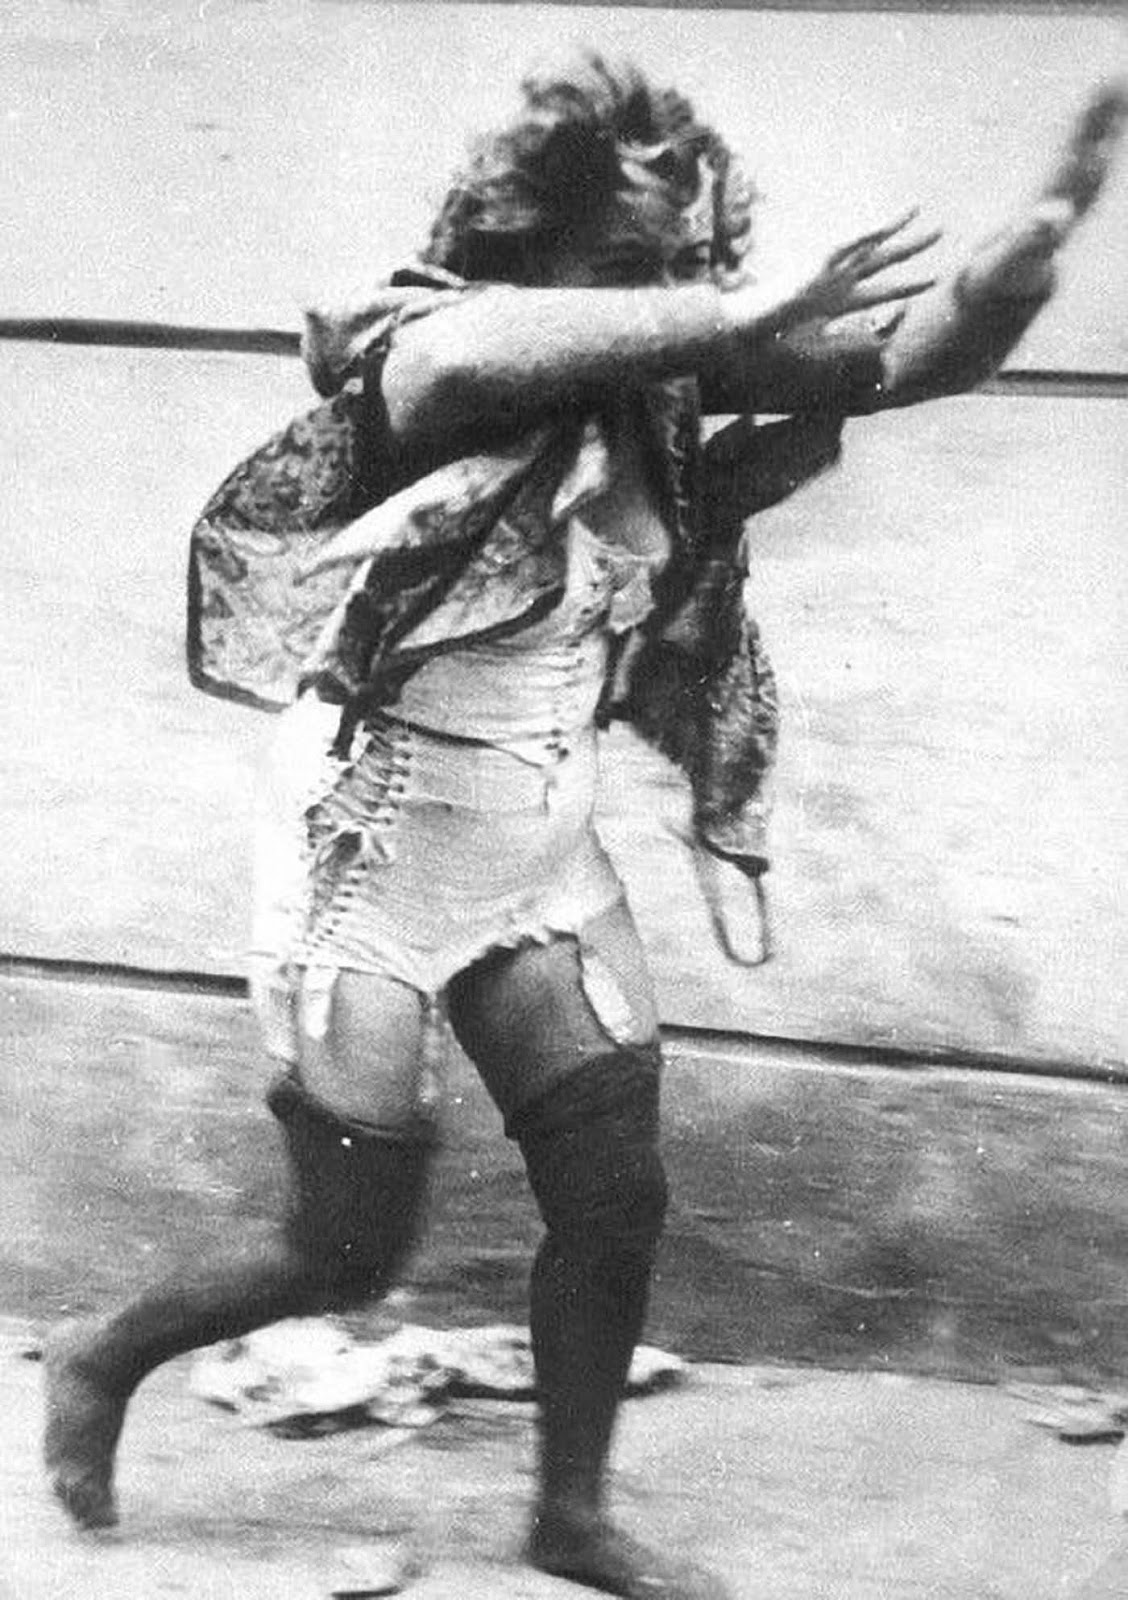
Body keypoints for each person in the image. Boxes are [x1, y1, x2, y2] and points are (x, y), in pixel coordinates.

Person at [44, 56, 1125, 1600]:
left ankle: (570, 1517)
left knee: (616, 1203)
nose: (672, 293)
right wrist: (737, 310)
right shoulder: (421, 365)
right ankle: (105, 1353)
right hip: (367, 863)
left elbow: (909, 355)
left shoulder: (662, 393)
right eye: (628, 265)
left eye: (684, 260)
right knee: (345, 1255)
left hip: (540, 859)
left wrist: (1029, 255)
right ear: (530, 247)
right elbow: (482, 344)